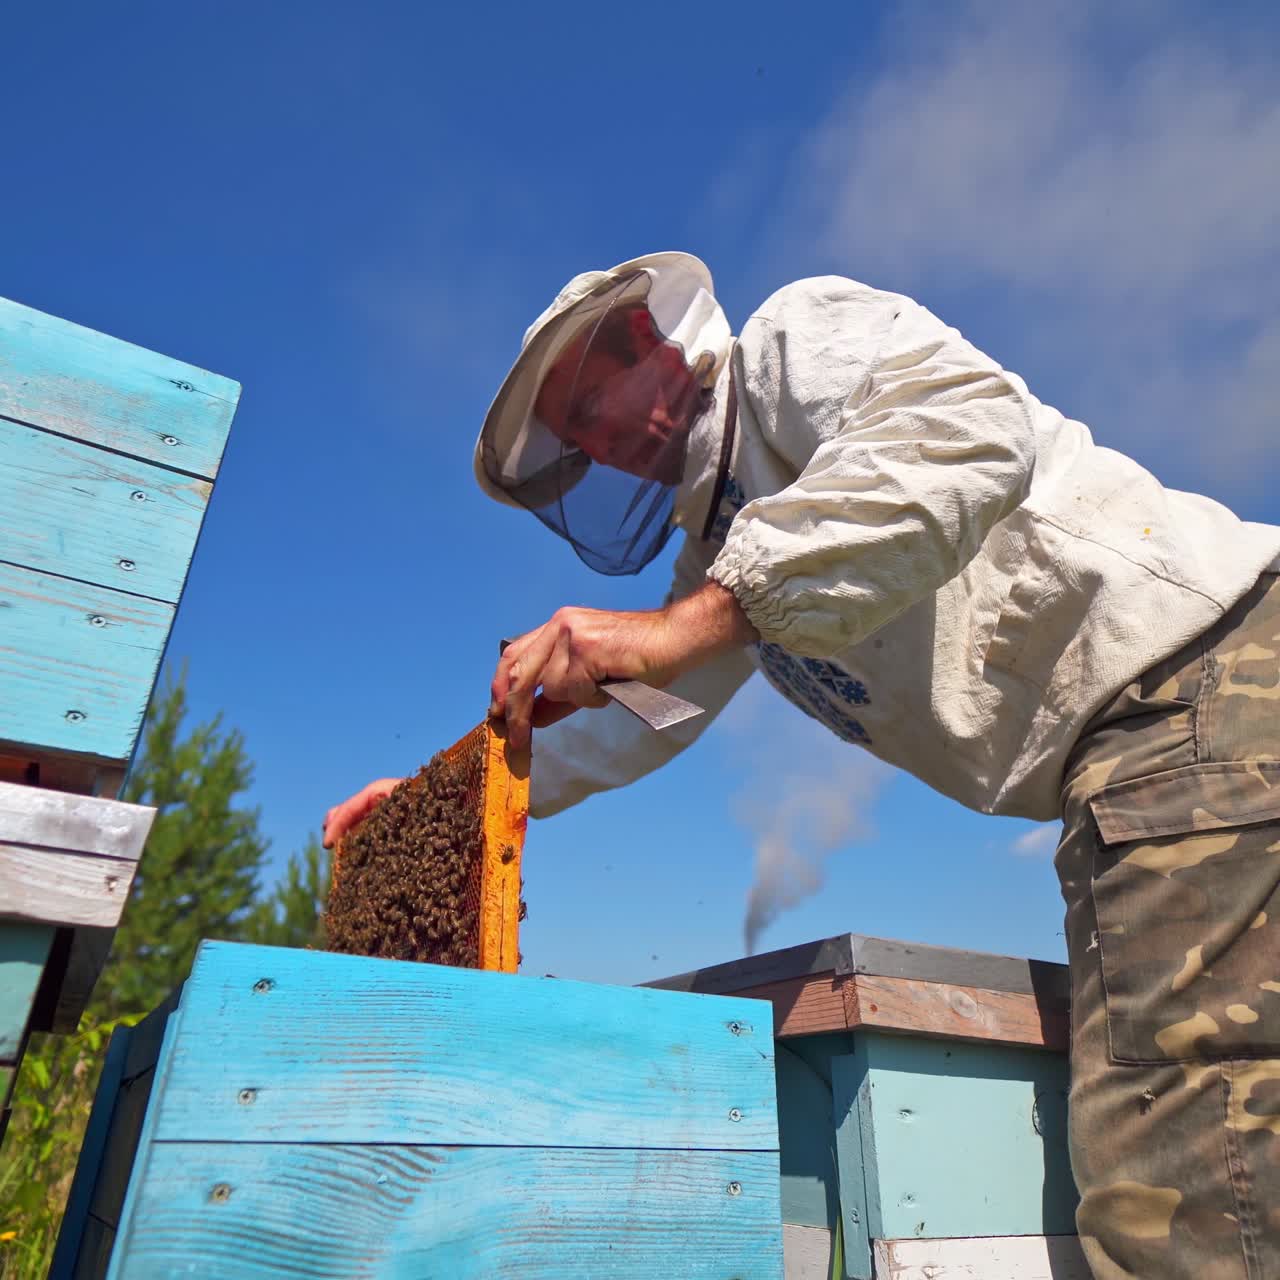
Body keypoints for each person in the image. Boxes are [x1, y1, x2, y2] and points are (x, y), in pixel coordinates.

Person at [324, 252, 1280, 1279]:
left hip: (1192, 683)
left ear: (650, 340)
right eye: (580, 439)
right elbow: (649, 714)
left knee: (1171, 1205)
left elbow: (965, 431)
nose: (606, 442)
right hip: (1155, 744)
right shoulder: (719, 558)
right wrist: (459, 796)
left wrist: (685, 626)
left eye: (596, 399)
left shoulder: (793, 342)